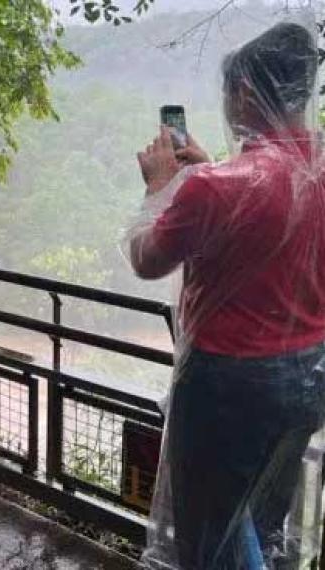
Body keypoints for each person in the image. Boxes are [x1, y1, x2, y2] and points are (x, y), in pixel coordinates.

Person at [129, 23, 325, 569]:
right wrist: (211, 169)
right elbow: (275, 207)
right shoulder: (316, 171)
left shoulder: (215, 188)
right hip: (310, 377)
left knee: (210, 528)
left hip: (227, 384)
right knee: (262, 516)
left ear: (243, 94)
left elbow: (146, 259)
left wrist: (159, 189)